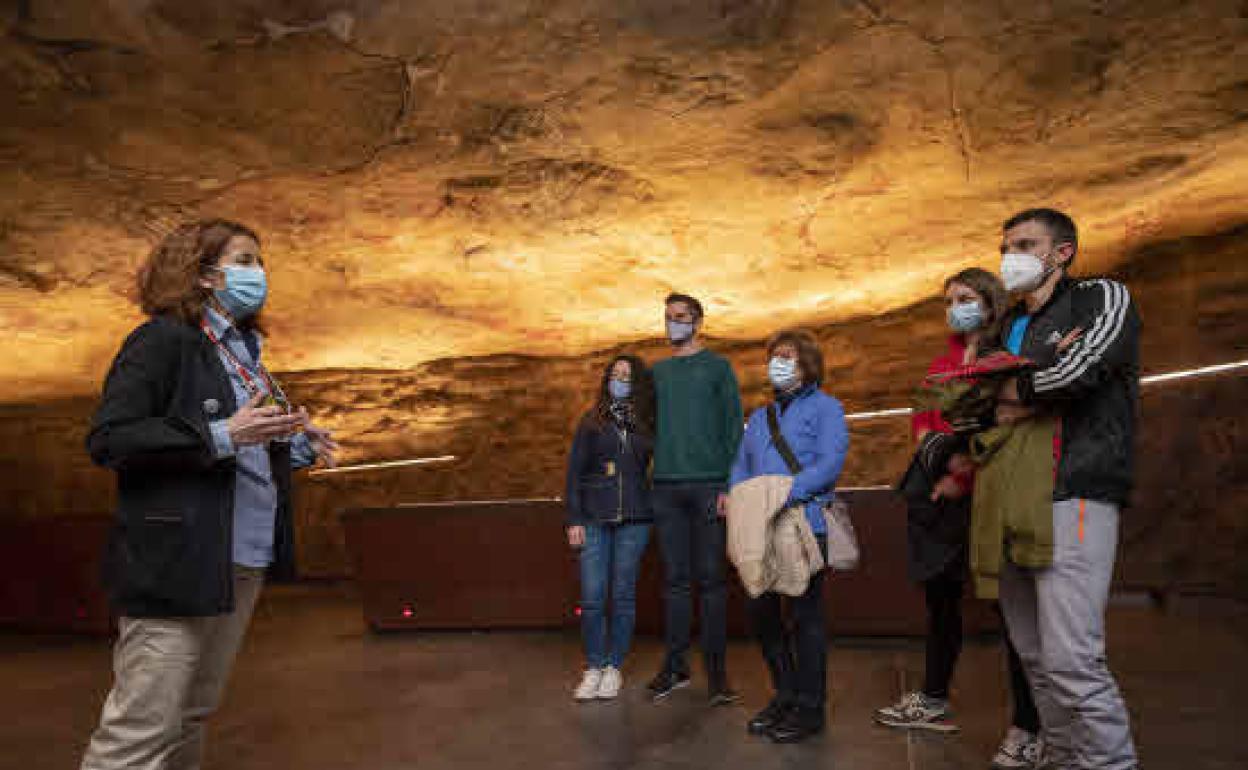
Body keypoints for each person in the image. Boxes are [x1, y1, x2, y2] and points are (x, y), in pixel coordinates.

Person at [80, 219, 339, 770]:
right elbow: (111, 438)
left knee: (192, 713)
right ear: (202, 274)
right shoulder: (164, 340)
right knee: (142, 726)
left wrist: (292, 447)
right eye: (244, 261)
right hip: (177, 562)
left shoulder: (247, 359)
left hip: (239, 557)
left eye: (258, 262)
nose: (258, 274)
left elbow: (240, 450)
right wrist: (226, 435)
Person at [876, 268, 1043, 769]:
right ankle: (932, 697)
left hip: (986, 496)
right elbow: (924, 422)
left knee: (1013, 614)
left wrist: (963, 475)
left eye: (965, 298)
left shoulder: (1003, 361)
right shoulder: (941, 364)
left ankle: (1030, 725)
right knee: (940, 602)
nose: (955, 307)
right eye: (950, 299)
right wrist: (944, 464)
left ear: (990, 303)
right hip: (935, 497)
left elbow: (1005, 427)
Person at [994, 208, 1141, 770]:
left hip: (1072, 487)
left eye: (1026, 244)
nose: (1012, 255)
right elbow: (969, 401)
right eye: (1005, 245)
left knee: (1072, 660)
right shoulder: (1010, 322)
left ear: (1063, 252)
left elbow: (1086, 368)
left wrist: (1017, 386)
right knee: (1034, 657)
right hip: (1009, 496)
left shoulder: (1101, 297)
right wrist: (1021, 383)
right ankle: (1060, 759)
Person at [729, 329, 848, 743]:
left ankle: (810, 707)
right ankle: (785, 693)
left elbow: (830, 463)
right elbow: (741, 463)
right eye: (774, 356)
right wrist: (738, 494)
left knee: (805, 618)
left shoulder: (827, 408)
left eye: (788, 357)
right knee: (761, 613)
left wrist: (782, 493)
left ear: (808, 365)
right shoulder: (760, 417)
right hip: (760, 525)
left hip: (804, 523)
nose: (777, 363)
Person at [646, 293, 744, 704]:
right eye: (669, 318)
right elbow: (647, 428)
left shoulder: (719, 368)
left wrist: (728, 486)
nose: (674, 324)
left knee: (712, 581)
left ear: (698, 322)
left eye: (681, 317)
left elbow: (733, 429)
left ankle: (717, 674)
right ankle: (675, 666)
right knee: (675, 582)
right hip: (665, 487)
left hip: (708, 487)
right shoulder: (657, 373)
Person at [564, 354, 656, 701]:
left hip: (635, 519)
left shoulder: (646, 424)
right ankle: (594, 666)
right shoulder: (591, 421)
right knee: (592, 596)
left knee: (622, 595)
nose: (620, 381)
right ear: (606, 381)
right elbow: (574, 474)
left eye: (627, 377)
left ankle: (614, 666)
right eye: (615, 375)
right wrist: (573, 518)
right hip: (594, 518)